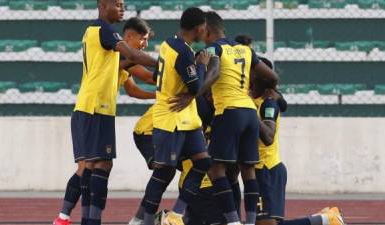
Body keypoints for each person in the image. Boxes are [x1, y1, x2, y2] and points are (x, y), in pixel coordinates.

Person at [53, 0, 157, 224]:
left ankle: (72, 219)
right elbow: (142, 68)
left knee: (90, 166)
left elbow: (132, 87)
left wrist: (157, 95)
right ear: (103, 5)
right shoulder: (104, 31)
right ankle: (79, 219)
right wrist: (169, 65)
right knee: (96, 165)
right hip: (94, 108)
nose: (122, 8)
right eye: (118, 4)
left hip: (95, 109)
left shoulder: (110, 51)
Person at [197, 11, 279, 225]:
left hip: (229, 111)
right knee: (248, 170)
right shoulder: (246, 50)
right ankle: (250, 222)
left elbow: (213, 73)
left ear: (207, 31)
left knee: (215, 168)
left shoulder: (214, 48)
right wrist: (272, 91)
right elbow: (272, 76)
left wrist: (194, 93)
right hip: (250, 113)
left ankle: (233, 222)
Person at [139, 7, 215, 225]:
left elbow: (158, 75)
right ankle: (146, 221)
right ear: (199, 28)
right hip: (170, 119)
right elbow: (196, 86)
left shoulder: (167, 44)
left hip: (188, 121)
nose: (205, 32)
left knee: (203, 162)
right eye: (204, 28)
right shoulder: (183, 52)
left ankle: (175, 214)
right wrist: (201, 64)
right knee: (164, 173)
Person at [251, 58, 345, 225]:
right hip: (261, 170)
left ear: (259, 78)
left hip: (267, 169)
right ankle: (324, 219)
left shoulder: (267, 104)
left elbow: (268, 136)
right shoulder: (256, 100)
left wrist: (249, 111)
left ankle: (327, 220)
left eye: (250, 72)